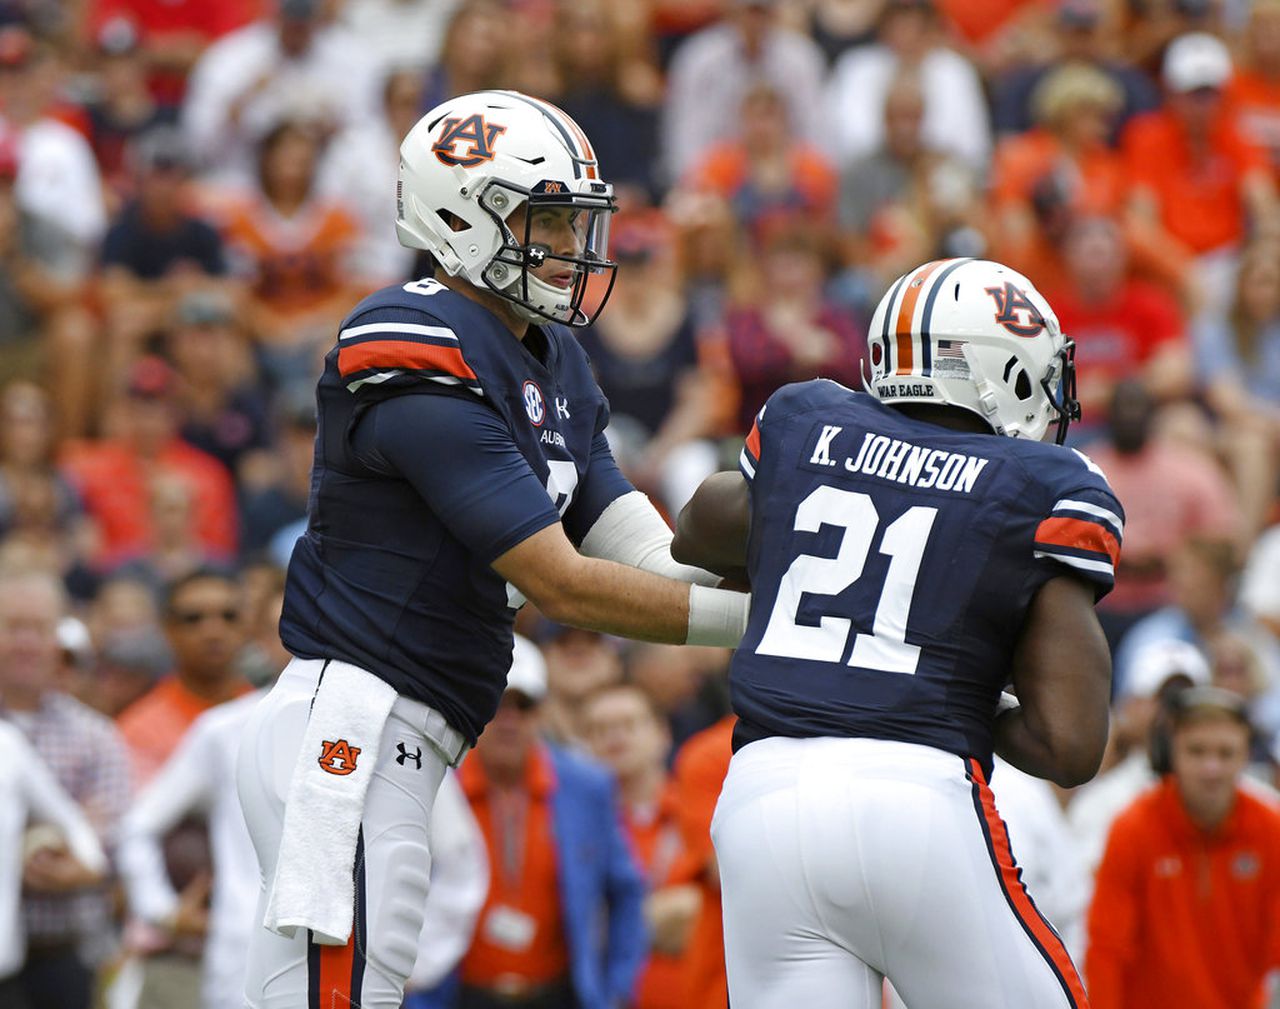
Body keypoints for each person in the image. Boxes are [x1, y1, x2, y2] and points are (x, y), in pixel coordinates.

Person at [235, 89, 749, 1009]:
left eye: (574, 222)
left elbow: (638, 548)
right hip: (351, 723)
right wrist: (761, 629)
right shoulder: (417, 341)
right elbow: (566, 584)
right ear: (460, 216)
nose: (570, 246)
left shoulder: (550, 356)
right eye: (546, 220)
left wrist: (796, 596)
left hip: (412, 728)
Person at [672, 257, 1122, 1007]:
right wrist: (956, 675)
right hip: (915, 797)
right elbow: (1069, 744)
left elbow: (697, 528)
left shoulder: (807, 417)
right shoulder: (1042, 481)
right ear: (1003, 373)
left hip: (762, 795)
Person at [455, 635, 647, 1009]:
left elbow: (626, 890)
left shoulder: (585, 785)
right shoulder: (441, 784)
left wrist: (615, 990)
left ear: (541, 712)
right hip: (457, 995)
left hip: (556, 995)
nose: (509, 720)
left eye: (523, 706)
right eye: (497, 704)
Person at [1084, 686, 1280, 1009]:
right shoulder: (1132, 828)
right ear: (1172, 752)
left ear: (1246, 754)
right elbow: (1106, 950)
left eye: (1225, 753)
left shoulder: (1269, 830)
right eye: (1197, 751)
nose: (1211, 768)